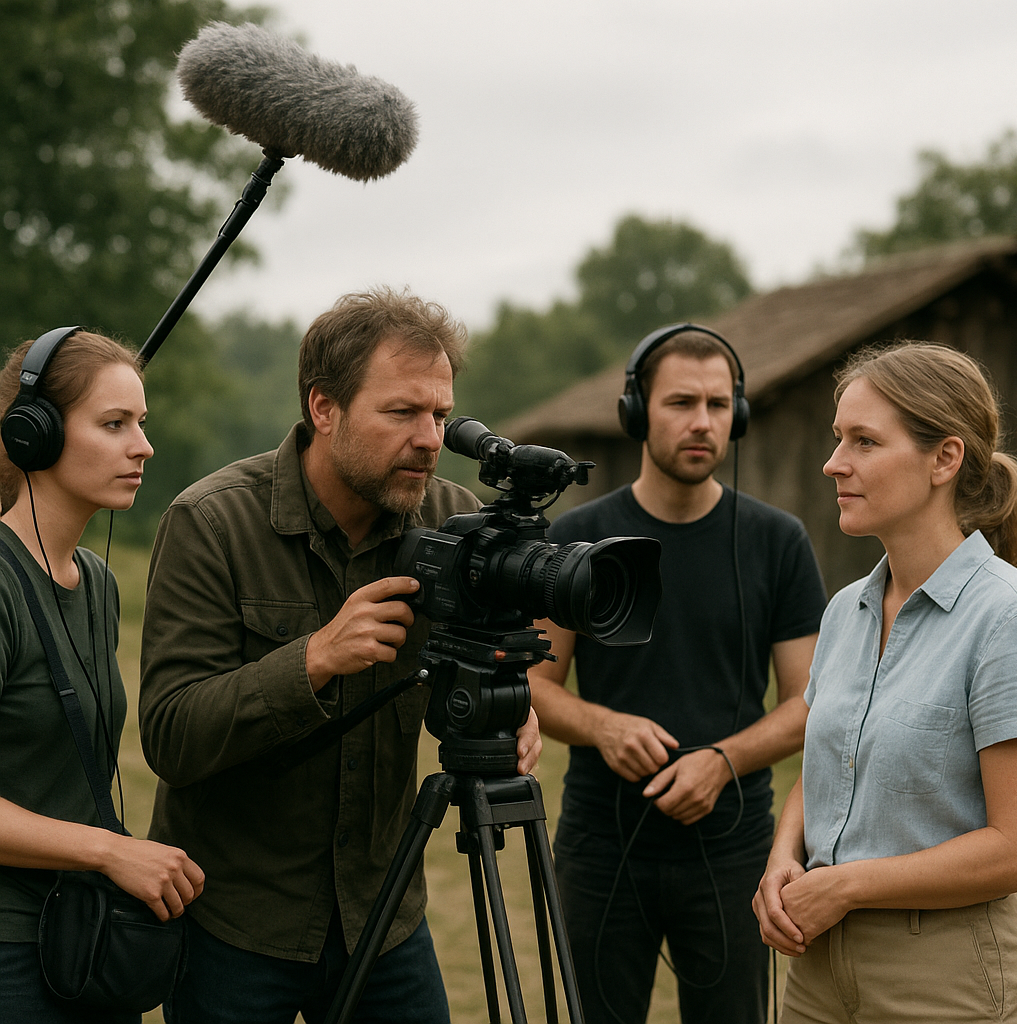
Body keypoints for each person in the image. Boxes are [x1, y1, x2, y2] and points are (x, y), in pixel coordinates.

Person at [138, 287, 542, 1024]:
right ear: (324, 408)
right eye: (402, 412)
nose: (428, 437)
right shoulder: (212, 522)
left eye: (440, 416)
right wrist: (313, 660)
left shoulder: (455, 521)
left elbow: (454, 680)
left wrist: (505, 704)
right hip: (236, 922)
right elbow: (170, 735)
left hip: (383, 916)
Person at [528, 324, 827, 1024]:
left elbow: (810, 700)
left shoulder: (777, 541)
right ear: (637, 411)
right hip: (601, 844)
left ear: (738, 416)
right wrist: (602, 726)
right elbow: (535, 685)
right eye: (681, 402)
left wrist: (723, 762)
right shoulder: (577, 539)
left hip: (733, 848)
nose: (702, 422)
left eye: (719, 405)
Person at [753, 341, 1017, 1022]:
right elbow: (828, 775)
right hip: (815, 971)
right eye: (838, 437)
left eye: (865, 441)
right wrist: (784, 859)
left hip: (945, 976)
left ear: (944, 459)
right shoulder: (847, 610)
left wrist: (845, 887)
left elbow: (1016, 845)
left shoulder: (1006, 616)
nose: (833, 462)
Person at [0, 328, 204, 1023]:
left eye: (140, 424)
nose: (142, 446)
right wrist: (110, 851)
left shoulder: (98, 583)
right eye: (114, 424)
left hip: (84, 938)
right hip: (10, 950)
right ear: (36, 435)